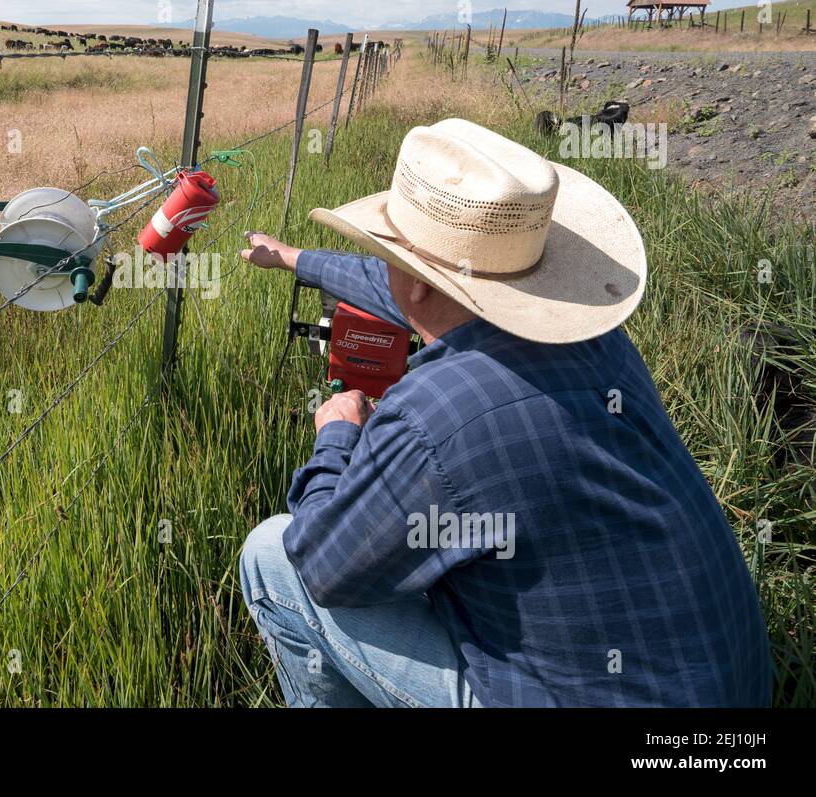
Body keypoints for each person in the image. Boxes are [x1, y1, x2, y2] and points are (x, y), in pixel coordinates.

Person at [238, 117, 771, 707]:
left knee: (273, 557)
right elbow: (401, 288)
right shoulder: (595, 340)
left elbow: (323, 566)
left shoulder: (432, 417)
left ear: (416, 285)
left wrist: (336, 438)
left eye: (386, 250)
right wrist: (294, 259)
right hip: (730, 691)